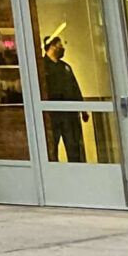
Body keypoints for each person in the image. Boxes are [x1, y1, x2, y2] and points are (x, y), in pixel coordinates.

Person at [37, 34, 87, 162]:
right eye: (60, 45)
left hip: (69, 115)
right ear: (52, 46)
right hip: (52, 115)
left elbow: (75, 88)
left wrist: (83, 109)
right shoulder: (42, 67)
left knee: (73, 148)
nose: (62, 48)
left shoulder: (65, 67)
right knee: (52, 149)